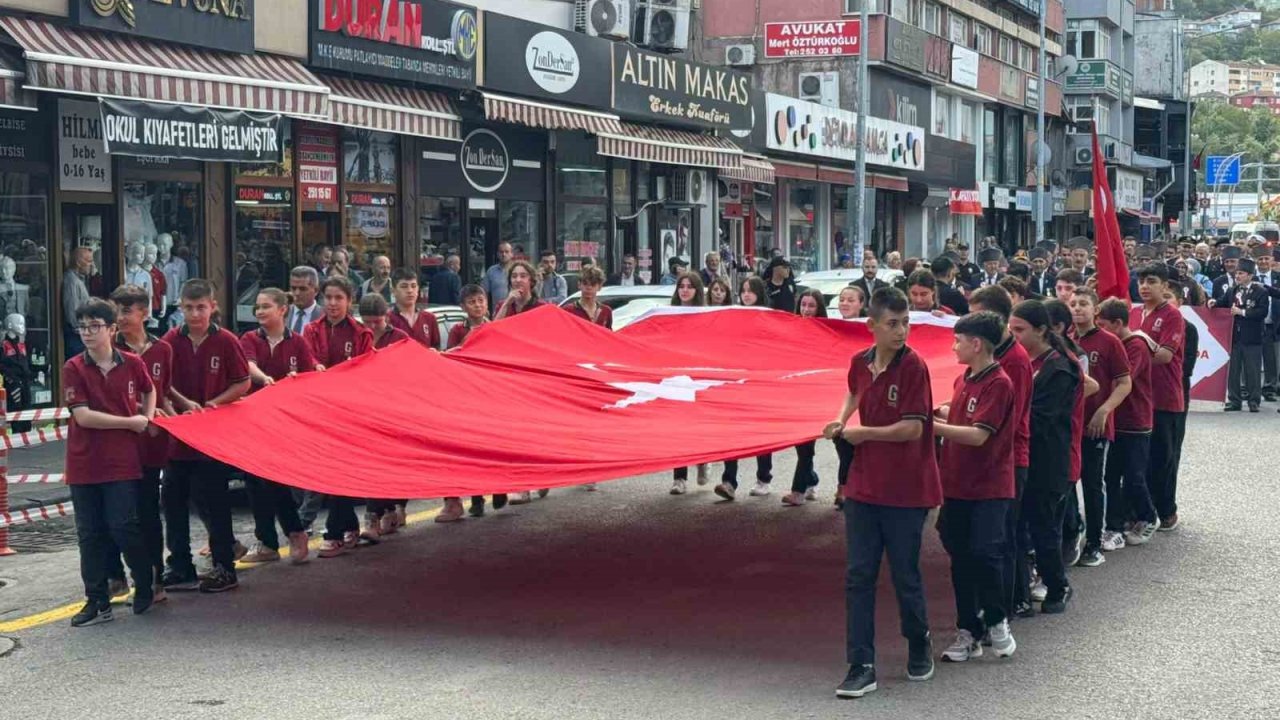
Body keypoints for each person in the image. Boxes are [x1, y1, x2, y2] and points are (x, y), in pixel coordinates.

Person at [828, 287, 939, 698]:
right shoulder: (860, 362)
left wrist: (863, 433)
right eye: (893, 324)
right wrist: (840, 419)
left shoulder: (914, 368)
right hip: (863, 484)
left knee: (905, 573)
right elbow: (854, 392)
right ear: (871, 326)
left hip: (907, 488)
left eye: (906, 322)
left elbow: (913, 428)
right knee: (858, 574)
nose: (902, 331)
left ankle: (918, 639)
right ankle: (861, 664)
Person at [64, 298, 157, 627]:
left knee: (123, 525)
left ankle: (144, 582)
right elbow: (84, 417)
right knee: (89, 533)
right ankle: (96, 599)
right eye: (83, 327)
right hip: (84, 462)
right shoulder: (74, 367)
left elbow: (149, 390)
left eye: (95, 326)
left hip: (121, 461)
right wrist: (130, 423)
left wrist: (146, 416)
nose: (88, 333)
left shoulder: (132, 363)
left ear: (112, 329)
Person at [933, 311, 1018, 662]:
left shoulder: (999, 383)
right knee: (959, 557)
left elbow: (978, 435)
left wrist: (930, 427)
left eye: (958, 341)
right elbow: (959, 413)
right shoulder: (964, 379)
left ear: (977, 343)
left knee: (985, 553)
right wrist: (936, 412)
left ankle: (997, 619)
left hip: (989, 486)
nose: (954, 347)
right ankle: (968, 629)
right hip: (956, 484)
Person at [160, 280, 251, 593]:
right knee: (173, 502)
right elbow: (162, 385)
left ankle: (224, 566)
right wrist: (177, 409)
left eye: (201, 307)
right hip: (180, 438)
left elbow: (242, 383)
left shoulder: (226, 341)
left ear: (213, 307)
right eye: (189, 307)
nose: (195, 313)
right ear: (180, 307)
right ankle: (180, 565)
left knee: (215, 502)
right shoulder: (171, 340)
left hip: (213, 438)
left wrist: (217, 401)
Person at [1008, 299, 1079, 615]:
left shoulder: (1059, 368)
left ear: (1041, 330)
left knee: (1043, 528)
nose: (1014, 336)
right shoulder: (1017, 360)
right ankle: (1019, 593)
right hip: (1020, 458)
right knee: (1015, 526)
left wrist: (1002, 417)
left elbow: (1040, 417)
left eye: (1020, 330)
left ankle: (1058, 584)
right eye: (1010, 330)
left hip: (1048, 461)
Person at [104, 285, 173, 603]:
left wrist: (175, 418)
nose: (119, 318)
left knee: (147, 512)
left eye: (125, 311)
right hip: (118, 445)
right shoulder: (107, 349)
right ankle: (119, 575)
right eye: (115, 311)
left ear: (144, 313)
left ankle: (155, 577)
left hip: (151, 445)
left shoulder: (162, 349)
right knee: (117, 515)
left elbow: (164, 391)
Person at [969, 286, 1034, 618]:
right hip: (992, 454)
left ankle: (1010, 603)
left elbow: (1012, 416)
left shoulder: (1015, 361)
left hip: (1008, 456)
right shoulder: (992, 356)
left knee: (1005, 536)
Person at [238, 288, 315, 565]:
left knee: (277, 480)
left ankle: (295, 531)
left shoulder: (298, 343)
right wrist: (265, 378)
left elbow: (309, 375)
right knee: (254, 481)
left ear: (283, 310)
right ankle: (268, 542)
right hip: (254, 421)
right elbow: (247, 365)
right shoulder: (249, 339)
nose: (259, 312)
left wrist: (299, 378)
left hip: (284, 423)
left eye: (266, 307)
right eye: (257, 307)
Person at [304, 276, 374, 556]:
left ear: (349, 301)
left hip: (350, 412)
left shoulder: (361, 334)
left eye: (338, 298)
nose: (332, 304)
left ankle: (335, 531)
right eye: (328, 298)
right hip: (320, 410)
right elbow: (308, 359)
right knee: (326, 470)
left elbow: (367, 371)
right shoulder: (311, 330)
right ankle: (347, 524)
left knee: (341, 469)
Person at [1068, 288, 1132, 568]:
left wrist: (1104, 411)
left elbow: (1124, 383)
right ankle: (1071, 534)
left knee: (1093, 484)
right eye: (1073, 304)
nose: (1077, 308)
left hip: (1094, 425)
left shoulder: (1109, 342)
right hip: (1067, 426)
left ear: (1095, 310)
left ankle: (1094, 543)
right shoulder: (1065, 340)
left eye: (1083, 304)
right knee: (1066, 485)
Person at [1096, 297, 1159, 548]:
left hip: (1136, 420)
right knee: (1111, 476)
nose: (1099, 330)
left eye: (1103, 325)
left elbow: (1123, 378)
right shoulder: (1113, 343)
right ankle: (1115, 525)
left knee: (1134, 476)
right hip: (1115, 420)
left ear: (1118, 323)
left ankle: (1148, 516)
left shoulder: (1135, 345)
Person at [714, 276, 776, 499]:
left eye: (751, 291)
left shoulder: (770, 318)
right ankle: (729, 481)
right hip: (736, 383)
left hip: (761, 384)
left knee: (761, 434)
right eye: (743, 290)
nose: (746, 294)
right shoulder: (734, 316)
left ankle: (763, 478)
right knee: (732, 433)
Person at [781, 289, 826, 507]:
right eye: (803, 305)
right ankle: (810, 479)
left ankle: (798, 490)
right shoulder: (791, 329)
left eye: (811, 306)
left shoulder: (828, 331)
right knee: (802, 444)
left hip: (820, 395)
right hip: (797, 395)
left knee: (809, 445)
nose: (806, 310)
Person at [668, 272, 710, 495]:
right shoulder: (667, 315)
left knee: (697, 426)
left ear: (697, 290)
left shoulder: (706, 316)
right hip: (676, 379)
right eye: (681, 286)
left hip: (699, 379)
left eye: (689, 286)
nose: (684, 290)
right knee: (678, 429)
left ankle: (702, 460)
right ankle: (679, 477)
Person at [1225, 257, 1269, 413]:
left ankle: (1253, 400)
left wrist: (1242, 312)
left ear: (1250, 275)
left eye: (1241, 273)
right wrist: (1213, 302)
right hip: (1234, 337)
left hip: (1252, 338)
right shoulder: (1232, 290)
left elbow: (1262, 312)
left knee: (1252, 371)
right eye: (1237, 273)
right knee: (1233, 371)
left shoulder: (1260, 291)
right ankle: (1234, 400)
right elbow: (1223, 303)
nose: (1237, 276)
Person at [387, 268, 441, 350]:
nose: (410, 291)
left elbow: (437, 349)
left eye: (413, 286)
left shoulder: (429, 318)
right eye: (404, 286)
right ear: (393, 291)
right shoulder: (387, 320)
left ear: (418, 289)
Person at [63, 246, 93, 356]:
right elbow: (72, 311)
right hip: (76, 337)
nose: (91, 265)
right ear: (78, 262)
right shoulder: (71, 281)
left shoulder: (79, 279)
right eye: (89, 261)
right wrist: (81, 331)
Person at [483, 241, 514, 306]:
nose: (504, 254)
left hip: (516, 312)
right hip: (498, 311)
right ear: (497, 254)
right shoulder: (491, 271)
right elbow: (484, 292)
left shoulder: (517, 270)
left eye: (507, 252)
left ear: (511, 254)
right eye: (501, 252)